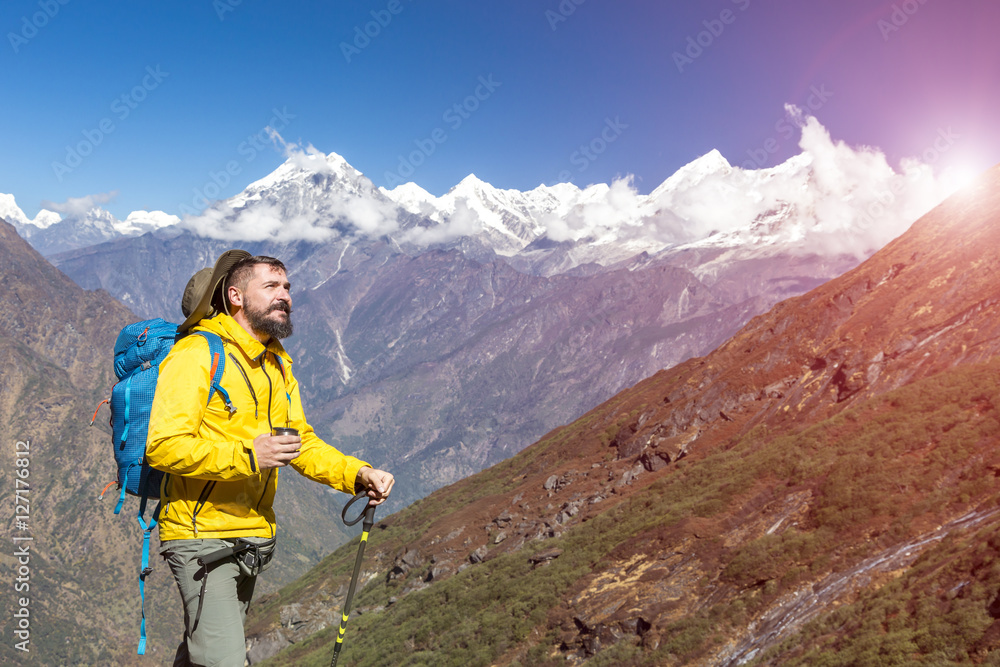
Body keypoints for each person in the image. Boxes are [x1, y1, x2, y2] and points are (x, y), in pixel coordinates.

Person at [146, 250, 394, 667]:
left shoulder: (276, 364)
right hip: (201, 537)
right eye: (272, 287)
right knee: (223, 660)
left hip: (252, 541)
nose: (286, 296)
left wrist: (358, 473)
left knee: (202, 654)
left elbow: (302, 444)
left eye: (287, 288)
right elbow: (163, 446)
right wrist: (247, 454)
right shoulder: (197, 356)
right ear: (236, 296)